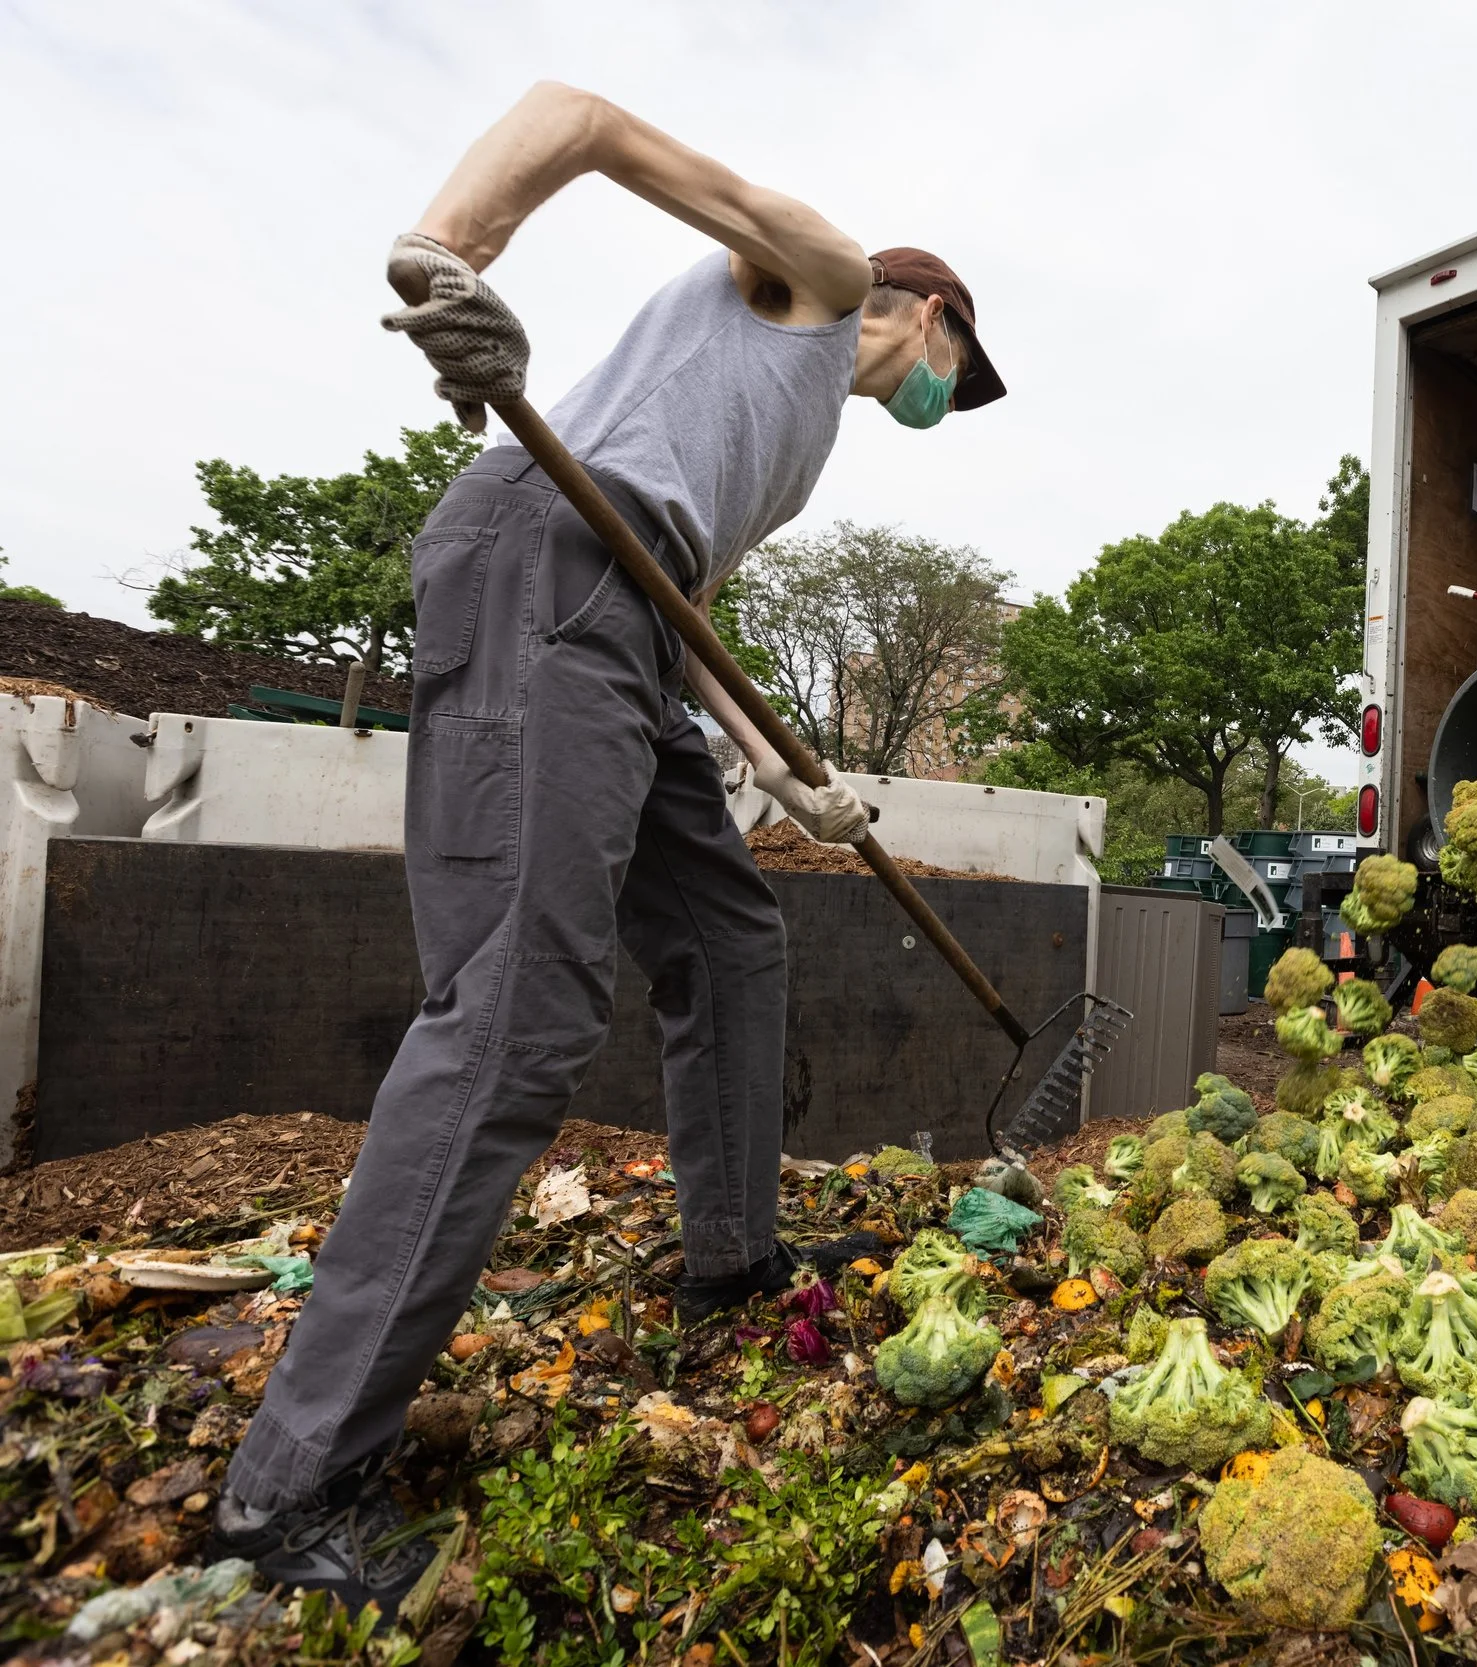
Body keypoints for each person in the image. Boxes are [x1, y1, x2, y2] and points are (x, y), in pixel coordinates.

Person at [210, 82, 1005, 1615]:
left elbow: (684, 603)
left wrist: (788, 770)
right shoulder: (822, 277)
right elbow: (581, 118)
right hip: (551, 564)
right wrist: (449, 256)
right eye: (954, 374)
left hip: (628, 617)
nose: (940, 401)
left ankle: (731, 1256)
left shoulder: (788, 442)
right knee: (521, 1010)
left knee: (733, 934)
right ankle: (293, 1476)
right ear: (933, 315)